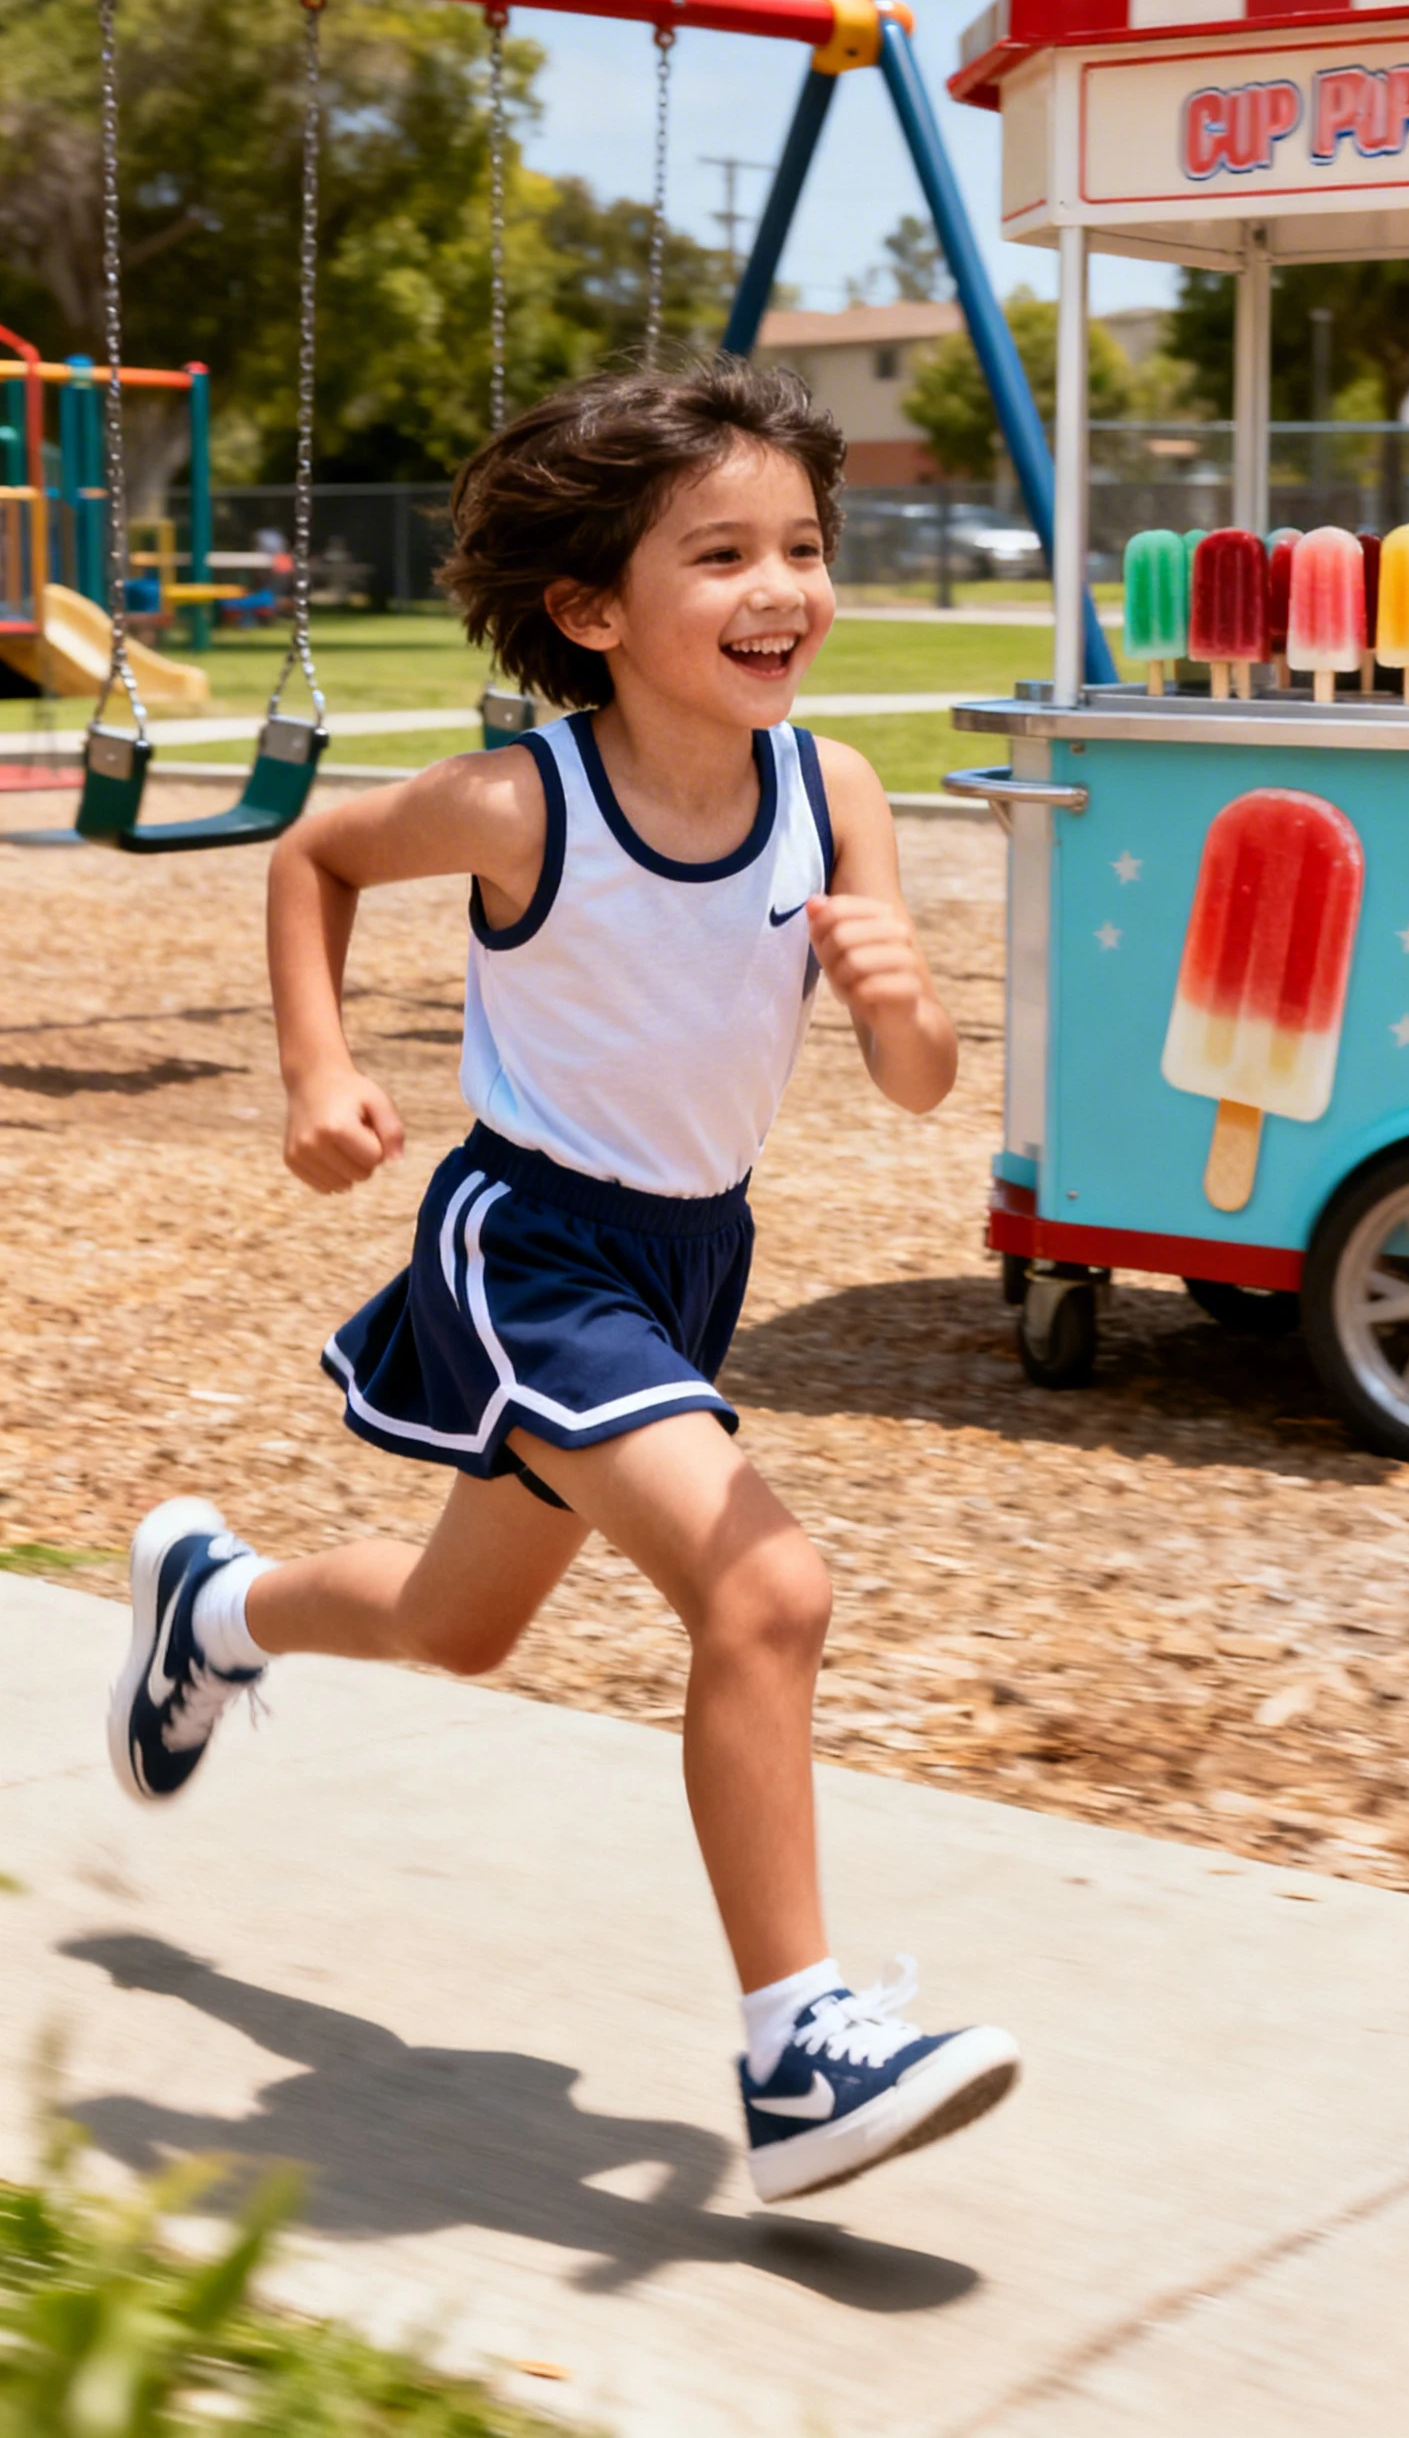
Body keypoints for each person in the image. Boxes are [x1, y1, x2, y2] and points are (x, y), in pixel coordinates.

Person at [106, 358, 1019, 2203]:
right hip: (529, 1239)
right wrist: (316, 1073)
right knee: (768, 1591)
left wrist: (905, 1007)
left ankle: (214, 1606)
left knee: (464, 1626)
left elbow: (917, 1089)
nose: (785, 589)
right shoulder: (529, 805)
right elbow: (316, 852)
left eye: (805, 547)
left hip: (692, 1256)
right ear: (590, 610)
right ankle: (800, 2050)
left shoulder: (832, 788)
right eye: (724, 555)